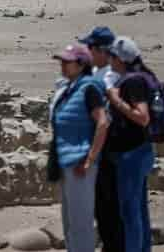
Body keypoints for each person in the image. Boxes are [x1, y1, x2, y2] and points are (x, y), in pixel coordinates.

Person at [50, 44, 109, 252]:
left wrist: (89, 159)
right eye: (62, 61)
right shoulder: (69, 87)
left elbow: (102, 122)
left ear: (81, 64)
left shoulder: (89, 87)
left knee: (81, 223)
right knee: (69, 221)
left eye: (67, 62)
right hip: (67, 162)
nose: (63, 65)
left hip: (81, 165)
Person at [107, 37, 155, 252]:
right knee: (139, 210)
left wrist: (115, 100)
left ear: (121, 59)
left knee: (130, 212)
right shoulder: (141, 76)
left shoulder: (133, 81)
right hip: (139, 151)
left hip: (132, 154)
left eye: (112, 56)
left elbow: (142, 116)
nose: (109, 60)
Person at [79, 26, 123, 252]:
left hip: (104, 153)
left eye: (91, 48)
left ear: (102, 51)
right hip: (117, 153)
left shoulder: (100, 79)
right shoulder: (118, 75)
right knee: (113, 211)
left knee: (106, 212)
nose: (88, 52)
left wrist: (90, 156)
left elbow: (101, 121)